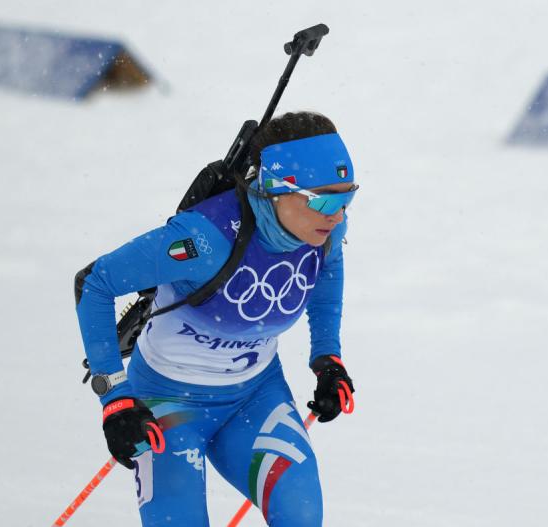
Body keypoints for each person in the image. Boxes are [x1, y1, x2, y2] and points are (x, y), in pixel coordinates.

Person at [74, 111, 357, 527]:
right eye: (327, 199)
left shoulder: (322, 228)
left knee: (301, 516)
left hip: (256, 396)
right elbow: (95, 284)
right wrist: (114, 399)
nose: (338, 214)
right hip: (168, 403)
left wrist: (327, 359)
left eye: (348, 197)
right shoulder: (203, 239)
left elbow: (328, 270)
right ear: (278, 189)